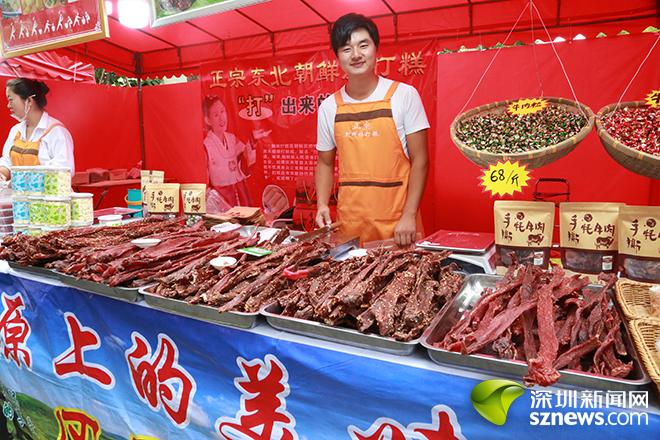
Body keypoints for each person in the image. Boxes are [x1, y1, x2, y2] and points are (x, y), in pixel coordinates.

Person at [315, 13, 429, 246]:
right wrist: (322, 204)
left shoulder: (404, 95)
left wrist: (409, 215)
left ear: (376, 48)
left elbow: (421, 160)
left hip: (398, 224)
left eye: (363, 45)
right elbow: (325, 162)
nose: (356, 54)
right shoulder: (328, 107)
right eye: (346, 49)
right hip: (350, 224)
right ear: (337, 56)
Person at [0, 78, 75, 180]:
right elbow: (7, 161)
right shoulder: (15, 130)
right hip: (17, 190)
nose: (8, 105)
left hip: (47, 191)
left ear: (29, 101)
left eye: (11, 100)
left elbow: (65, 170)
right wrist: (2, 173)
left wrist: (31, 177)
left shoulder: (56, 132)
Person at [202, 95, 255, 207]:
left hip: (239, 190)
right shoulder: (206, 145)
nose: (222, 118)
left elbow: (244, 162)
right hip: (221, 196)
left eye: (222, 111)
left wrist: (252, 141)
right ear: (207, 120)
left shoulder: (232, 138)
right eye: (216, 115)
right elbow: (205, 179)